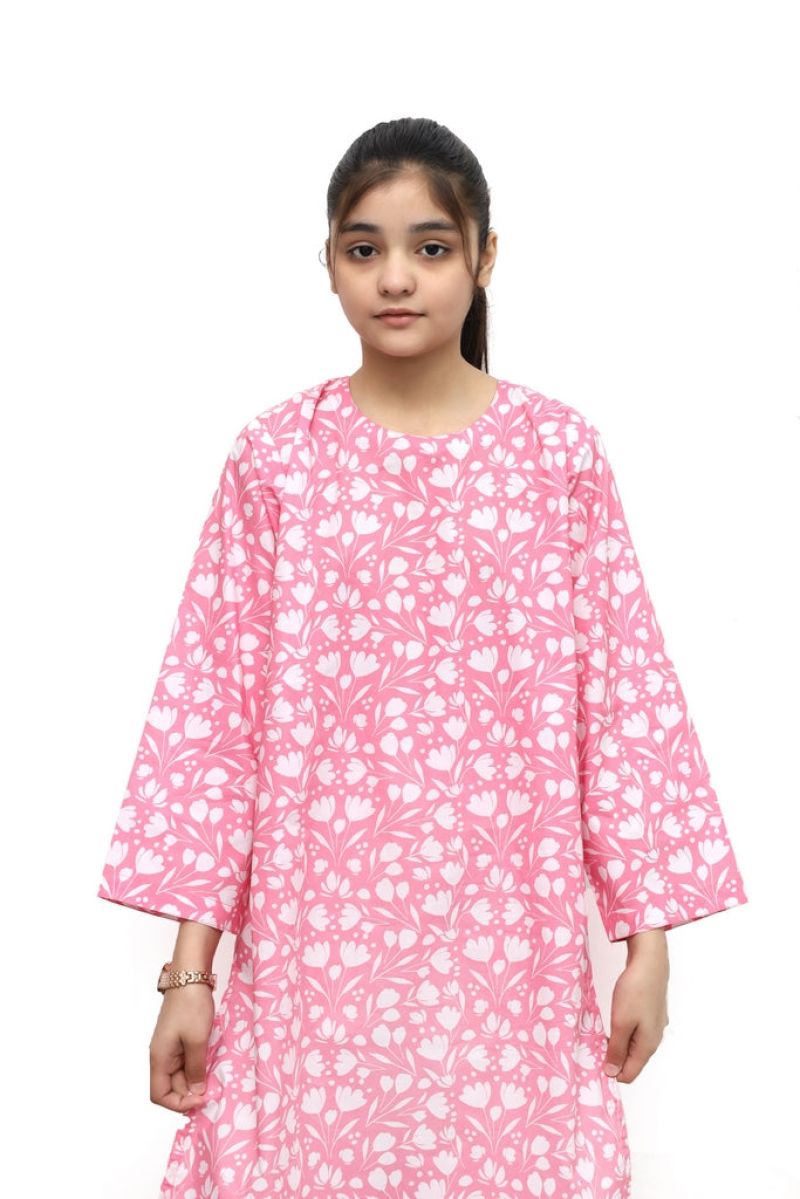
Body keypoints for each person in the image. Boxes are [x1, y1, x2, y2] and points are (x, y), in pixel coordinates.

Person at [96, 115, 749, 1199]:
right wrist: (188, 974)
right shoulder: (277, 461)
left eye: (430, 246)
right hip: (313, 966)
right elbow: (214, 719)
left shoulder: (555, 456)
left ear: (485, 257)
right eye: (364, 248)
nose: (395, 277)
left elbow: (622, 698)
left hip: (511, 960)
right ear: (327, 262)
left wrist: (648, 944)